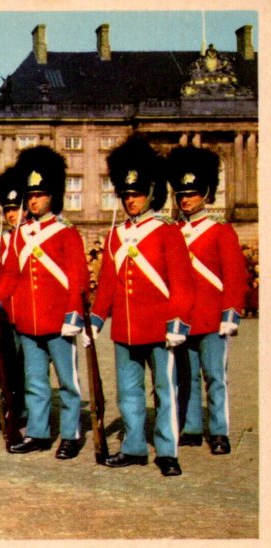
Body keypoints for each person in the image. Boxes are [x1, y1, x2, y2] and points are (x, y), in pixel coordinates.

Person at [88, 135, 195, 476]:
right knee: (129, 393)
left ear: (150, 193)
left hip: (160, 326)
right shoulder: (116, 235)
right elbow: (108, 281)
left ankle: (167, 451)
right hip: (125, 327)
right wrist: (96, 317)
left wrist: (177, 322)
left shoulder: (167, 231)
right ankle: (134, 446)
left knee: (165, 390)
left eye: (136, 194)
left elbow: (181, 283)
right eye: (126, 195)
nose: (131, 201)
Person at [0, 147, 88, 459]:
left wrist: (74, 314)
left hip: (59, 321)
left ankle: (70, 434)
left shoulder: (67, 233)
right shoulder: (20, 235)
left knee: (68, 383)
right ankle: (39, 433)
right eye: (31, 195)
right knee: (35, 382)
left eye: (40, 195)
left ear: (52, 196)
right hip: (28, 322)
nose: (33, 201)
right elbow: (11, 274)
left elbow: (77, 278)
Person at [168, 145, 247, 454]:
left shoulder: (221, 231)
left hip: (213, 316)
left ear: (206, 194)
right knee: (185, 377)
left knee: (215, 376)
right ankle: (190, 428)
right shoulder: (171, 231)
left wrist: (231, 313)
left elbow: (234, 275)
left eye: (192, 192)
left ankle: (218, 431)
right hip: (183, 318)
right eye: (181, 194)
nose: (185, 199)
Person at [0, 165, 27, 426]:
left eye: (16, 208)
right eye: (8, 210)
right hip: (5, 313)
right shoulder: (2, 241)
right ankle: (13, 405)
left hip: (27, 311)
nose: (12, 214)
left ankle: (26, 408)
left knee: (29, 366)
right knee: (9, 365)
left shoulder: (31, 237)